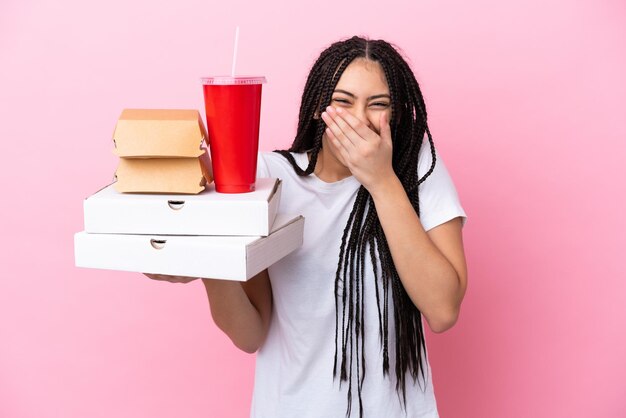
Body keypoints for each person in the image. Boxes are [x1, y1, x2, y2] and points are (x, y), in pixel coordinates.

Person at [146, 35, 468, 418]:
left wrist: (381, 181)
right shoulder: (268, 179)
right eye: (343, 102)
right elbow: (250, 335)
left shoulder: (414, 168)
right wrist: (212, 259)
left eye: (378, 105)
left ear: (395, 116)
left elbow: (443, 310)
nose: (359, 119)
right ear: (319, 106)